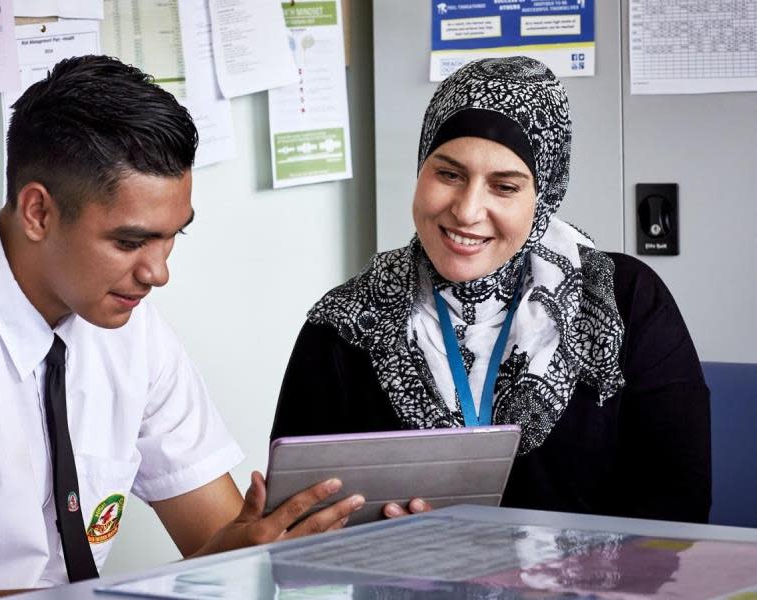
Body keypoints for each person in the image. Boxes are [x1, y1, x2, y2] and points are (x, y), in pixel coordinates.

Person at [0, 56, 364, 599]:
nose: (158, 273)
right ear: (37, 213)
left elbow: (219, 541)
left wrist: (268, 547)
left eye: (173, 237)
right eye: (129, 242)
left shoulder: (128, 325)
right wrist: (183, 582)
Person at [272, 56, 711, 523]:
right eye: (448, 174)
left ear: (544, 196)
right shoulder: (345, 326)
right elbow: (297, 530)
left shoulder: (624, 302)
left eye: (504, 187)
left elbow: (677, 514)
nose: (466, 210)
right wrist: (381, 550)